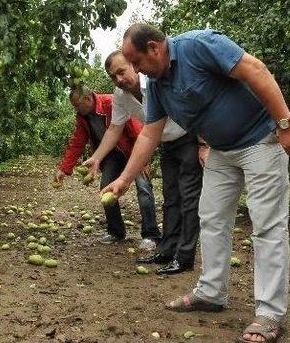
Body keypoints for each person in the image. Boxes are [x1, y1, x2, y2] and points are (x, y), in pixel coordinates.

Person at [101, 23, 290, 343]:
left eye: (137, 62)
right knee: (210, 219)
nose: (137, 71)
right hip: (221, 151)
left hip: (260, 141)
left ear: (154, 48)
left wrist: (285, 123)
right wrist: (124, 178)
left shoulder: (199, 46)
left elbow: (255, 68)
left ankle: (269, 314)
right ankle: (211, 293)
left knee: (267, 226)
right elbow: (149, 133)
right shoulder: (156, 86)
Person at [84, 51, 202, 275]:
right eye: (113, 76)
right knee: (170, 198)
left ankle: (184, 256)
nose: (119, 79)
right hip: (168, 143)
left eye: (122, 71)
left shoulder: (156, 82)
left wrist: (203, 142)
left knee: (188, 198)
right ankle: (166, 249)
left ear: (134, 66)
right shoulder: (121, 95)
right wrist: (97, 157)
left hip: (188, 138)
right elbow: (114, 129)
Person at [55, 86, 161, 247]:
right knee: (106, 187)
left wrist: (143, 160)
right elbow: (77, 142)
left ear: (88, 99)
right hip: (112, 155)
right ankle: (116, 232)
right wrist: (64, 169)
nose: (76, 109)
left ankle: (151, 235)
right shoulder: (83, 117)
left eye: (77, 105)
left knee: (143, 187)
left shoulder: (111, 103)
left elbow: (136, 129)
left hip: (132, 149)